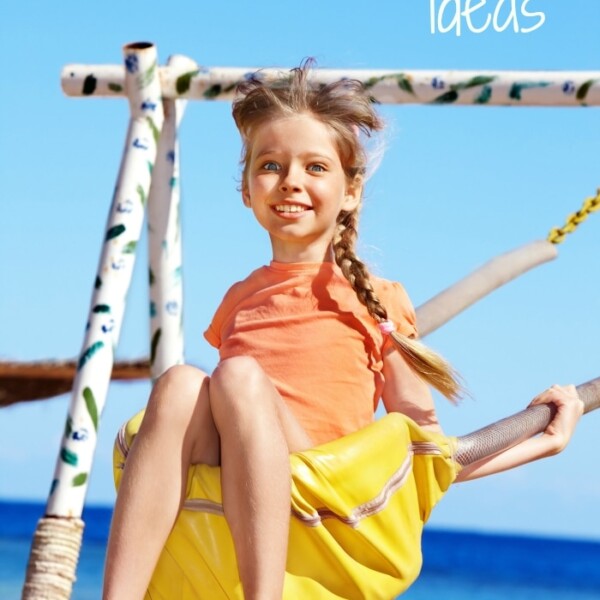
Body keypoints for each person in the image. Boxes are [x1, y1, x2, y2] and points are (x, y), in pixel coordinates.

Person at [102, 61, 584, 600]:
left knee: (235, 376)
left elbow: (426, 459)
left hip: (324, 507)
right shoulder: (237, 300)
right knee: (180, 384)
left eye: (315, 167)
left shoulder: (376, 301)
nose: (291, 181)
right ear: (245, 188)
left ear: (350, 191)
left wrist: (544, 442)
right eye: (270, 165)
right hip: (238, 495)